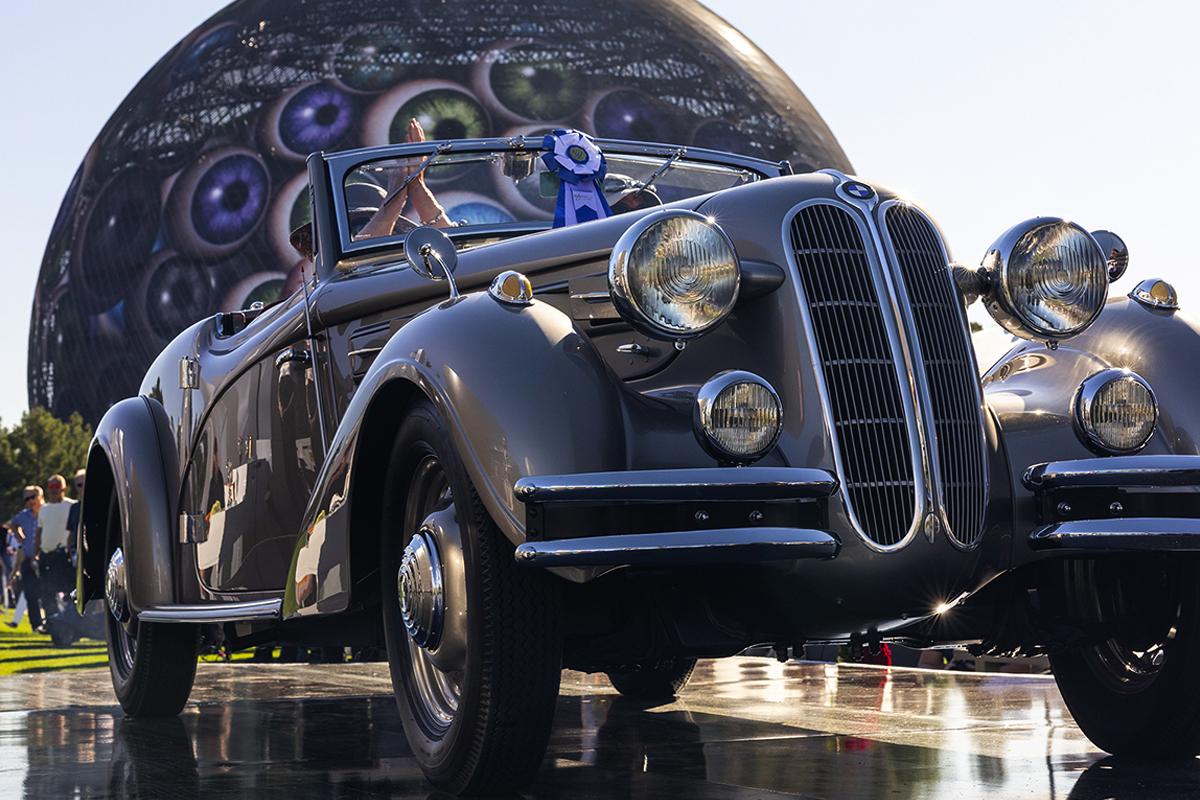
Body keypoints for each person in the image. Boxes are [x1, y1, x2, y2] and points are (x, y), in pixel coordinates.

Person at [37, 475, 76, 611]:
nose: (53, 490)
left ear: (63, 488)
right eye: (51, 487)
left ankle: (69, 620)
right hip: (46, 556)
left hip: (65, 557)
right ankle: (52, 622)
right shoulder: (43, 508)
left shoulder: (72, 505)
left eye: (56, 487)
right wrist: (36, 553)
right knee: (47, 591)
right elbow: (39, 532)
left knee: (68, 589)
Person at [8, 486, 44, 631]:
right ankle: (37, 625)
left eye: (32, 497)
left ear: (40, 496)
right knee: (30, 593)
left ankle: (54, 622)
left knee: (48, 592)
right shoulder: (23, 515)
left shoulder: (47, 511)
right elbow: (13, 524)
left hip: (45, 558)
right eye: (26, 499)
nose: (30, 501)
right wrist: (20, 537)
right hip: (29, 559)